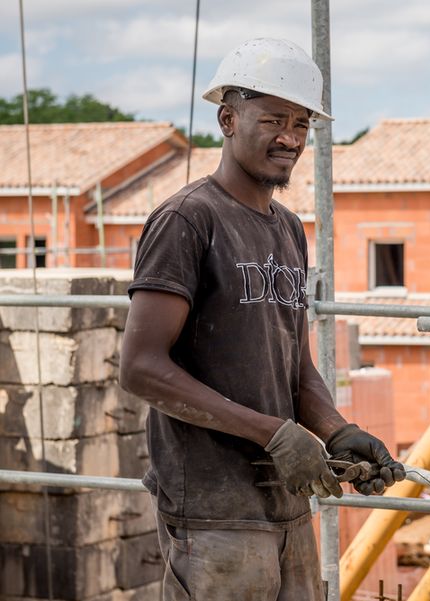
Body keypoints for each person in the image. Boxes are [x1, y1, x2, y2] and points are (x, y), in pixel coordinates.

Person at [119, 38, 405, 601]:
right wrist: (272, 433)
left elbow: (294, 365)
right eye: (273, 119)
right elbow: (142, 368)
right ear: (227, 118)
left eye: (301, 124)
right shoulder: (187, 220)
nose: (291, 139)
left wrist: (335, 429)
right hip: (213, 511)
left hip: (286, 502)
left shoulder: (288, 228)